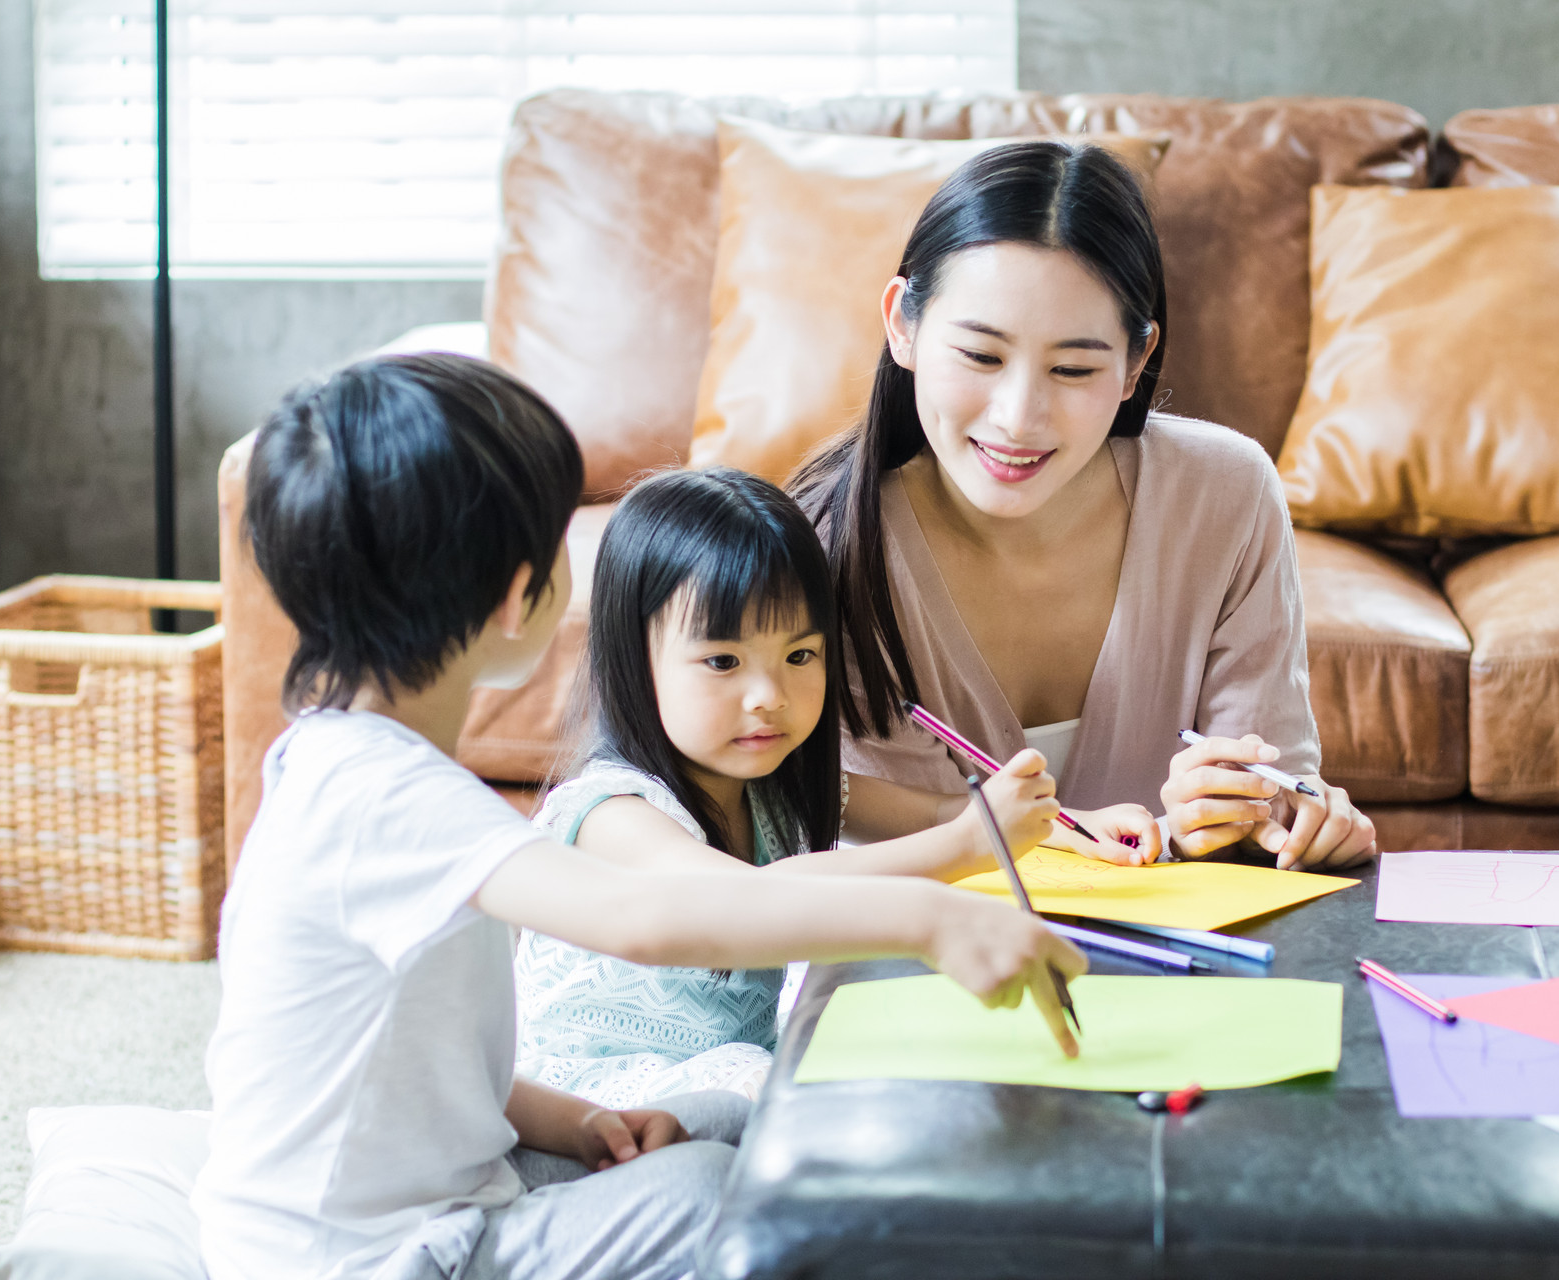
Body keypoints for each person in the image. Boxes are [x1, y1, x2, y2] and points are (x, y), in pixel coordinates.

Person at [192, 355, 1085, 1280]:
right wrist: (931, 914)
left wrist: (571, 1124)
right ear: (518, 592)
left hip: (417, 1205)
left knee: (741, 1124)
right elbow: (644, 920)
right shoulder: (386, 795)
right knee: (715, 1189)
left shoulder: (349, 766)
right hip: (373, 1259)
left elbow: (425, 1066)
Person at [793, 140, 1378, 872]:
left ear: (1137, 363)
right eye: (980, 356)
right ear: (902, 325)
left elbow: (1271, 794)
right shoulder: (823, 544)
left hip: (1180, 965)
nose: (1018, 417)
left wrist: (1267, 821)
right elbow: (827, 825)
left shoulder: (1226, 496)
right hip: (924, 960)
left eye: (1073, 368)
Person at [516, 466, 1079, 1108]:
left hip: (728, 1076)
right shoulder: (611, 813)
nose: (769, 697)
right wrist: (962, 847)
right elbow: (745, 900)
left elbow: (944, 814)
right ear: (632, 658)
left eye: (800, 656)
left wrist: (1071, 825)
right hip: (591, 1098)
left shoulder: (773, 786)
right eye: (723, 662)